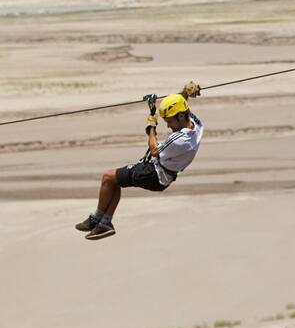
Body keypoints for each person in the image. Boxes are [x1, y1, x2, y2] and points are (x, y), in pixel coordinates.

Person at [75, 86, 204, 240]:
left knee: (107, 177)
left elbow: (154, 149)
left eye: (169, 122)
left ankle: (97, 219)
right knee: (115, 181)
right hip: (160, 173)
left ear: (181, 117)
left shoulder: (182, 140)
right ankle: (105, 223)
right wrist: (185, 93)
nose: (168, 126)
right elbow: (180, 105)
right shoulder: (197, 124)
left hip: (154, 175)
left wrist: (151, 125)